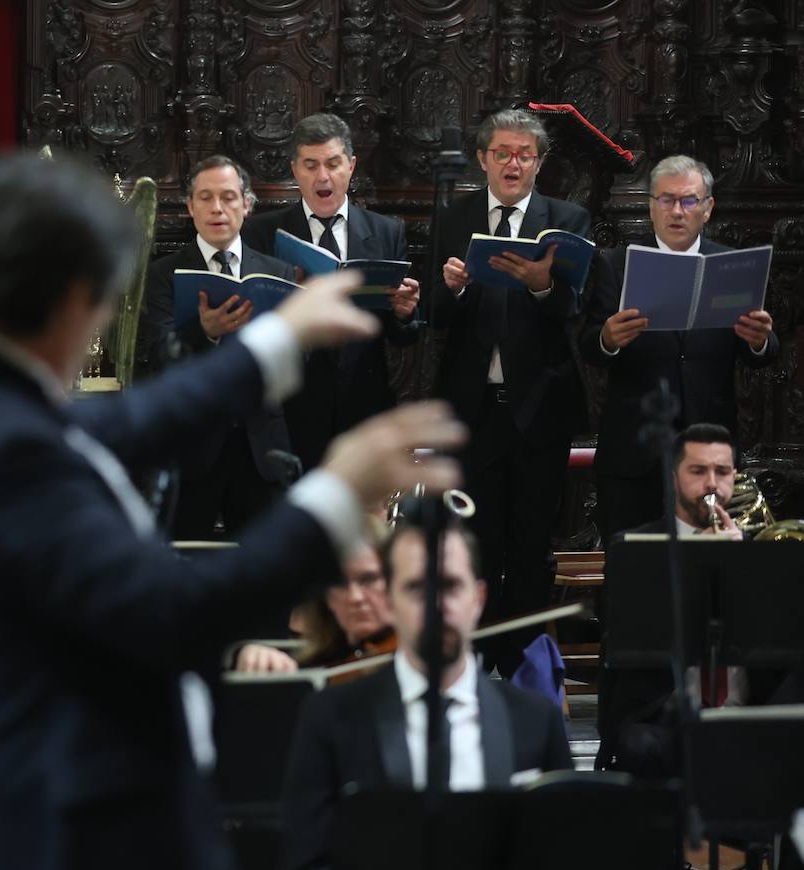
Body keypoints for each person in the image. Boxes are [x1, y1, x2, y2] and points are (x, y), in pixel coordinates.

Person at [0, 149, 466, 870]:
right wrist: (334, 497)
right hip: (86, 841)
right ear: (75, 297)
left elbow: (123, 423)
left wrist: (276, 341)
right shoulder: (4, 449)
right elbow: (175, 613)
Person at [276, 520, 573, 870]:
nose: (436, 605)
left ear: (478, 599)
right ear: (390, 602)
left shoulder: (534, 719)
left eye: (450, 586)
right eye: (417, 589)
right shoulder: (330, 716)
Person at [430, 108, 592, 677]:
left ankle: (522, 669)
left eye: (525, 154)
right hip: (472, 412)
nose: (514, 163)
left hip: (537, 410)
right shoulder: (456, 217)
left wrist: (544, 285)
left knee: (530, 550)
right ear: (483, 159)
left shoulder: (566, 218)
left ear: (540, 163)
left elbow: (578, 312)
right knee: (475, 545)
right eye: (503, 153)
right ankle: (471, 670)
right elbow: (433, 313)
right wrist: (450, 289)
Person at [579, 155, 778, 543]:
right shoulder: (614, 265)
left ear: (707, 209)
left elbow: (764, 350)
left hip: (709, 451)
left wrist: (758, 340)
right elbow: (588, 346)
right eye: (666, 200)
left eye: (688, 201)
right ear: (651, 206)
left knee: (706, 577)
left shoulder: (731, 266)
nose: (676, 211)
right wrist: (608, 339)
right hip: (634, 449)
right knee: (630, 571)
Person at [242, 113, 422, 469]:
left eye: (333, 164)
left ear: (351, 166)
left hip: (363, 408)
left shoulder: (387, 232)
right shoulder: (262, 234)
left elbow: (400, 335)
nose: (322, 177)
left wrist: (405, 313)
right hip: (291, 407)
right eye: (310, 165)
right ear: (295, 170)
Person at [139, 155, 299, 539]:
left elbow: (298, 357)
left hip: (260, 447)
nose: (217, 208)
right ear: (190, 206)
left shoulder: (277, 272)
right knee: (183, 569)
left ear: (247, 204)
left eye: (228, 197)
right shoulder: (165, 274)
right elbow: (156, 354)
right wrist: (203, 332)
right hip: (193, 450)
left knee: (266, 576)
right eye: (205, 198)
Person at [596, 423, 745, 774]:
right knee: (648, 747)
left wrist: (737, 565)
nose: (711, 483)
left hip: (744, 706)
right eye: (698, 471)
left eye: (722, 472)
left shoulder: (754, 548)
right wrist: (702, 564)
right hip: (663, 708)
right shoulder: (632, 546)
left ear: (734, 477)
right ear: (674, 476)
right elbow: (624, 632)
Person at [234, 518, 395, 674]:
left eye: (369, 579)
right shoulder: (315, 667)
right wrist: (256, 656)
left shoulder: (412, 657)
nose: (355, 597)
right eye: (339, 583)